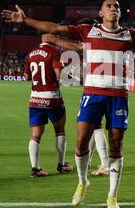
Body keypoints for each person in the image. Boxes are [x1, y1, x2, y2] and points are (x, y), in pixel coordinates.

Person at [2, 0, 135, 208]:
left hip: (118, 95)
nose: (113, 9)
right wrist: (25, 20)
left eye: (116, 7)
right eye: (109, 6)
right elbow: (54, 27)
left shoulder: (129, 34)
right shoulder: (87, 30)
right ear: (101, 13)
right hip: (92, 94)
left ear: (120, 13)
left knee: (116, 145)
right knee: (82, 141)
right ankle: (83, 182)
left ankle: (112, 196)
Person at [42, 32, 110, 176]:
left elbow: (76, 47)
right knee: (93, 125)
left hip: (96, 89)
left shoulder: (94, 43)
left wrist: (56, 40)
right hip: (103, 87)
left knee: (96, 127)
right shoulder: (104, 43)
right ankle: (90, 160)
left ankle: (105, 164)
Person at [24, 35, 74, 177]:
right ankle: (61, 164)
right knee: (59, 131)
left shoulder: (31, 53)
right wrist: (70, 75)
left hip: (35, 99)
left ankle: (35, 168)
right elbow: (59, 74)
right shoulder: (53, 52)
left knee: (35, 135)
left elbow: (26, 76)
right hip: (52, 98)